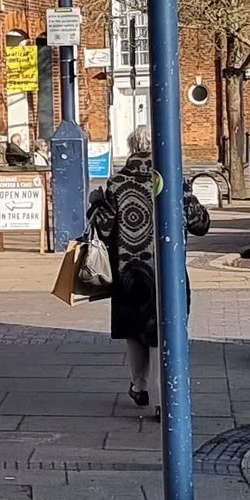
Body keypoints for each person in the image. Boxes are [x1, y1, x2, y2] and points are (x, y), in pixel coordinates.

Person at [86, 135, 161, 412]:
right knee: (158, 329)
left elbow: (104, 229)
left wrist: (97, 203)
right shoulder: (169, 178)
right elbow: (200, 222)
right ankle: (159, 396)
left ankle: (139, 386)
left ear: (130, 148)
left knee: (134, 330)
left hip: (128, 271)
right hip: (161, 271)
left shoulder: (117, 183)